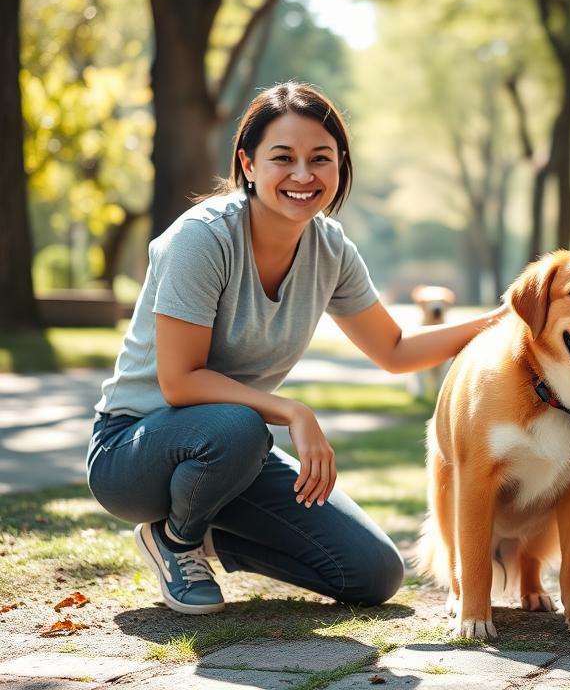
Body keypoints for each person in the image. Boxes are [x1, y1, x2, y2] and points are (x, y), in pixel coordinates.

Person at [86, 82, 508, 615]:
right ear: (248, 164)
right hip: (133, 451)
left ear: (340, 166)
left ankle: (208, 532)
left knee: (373, 572)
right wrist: (293, 412)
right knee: (239, 426)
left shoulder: (331, 249)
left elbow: (395, 349)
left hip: (232, 454)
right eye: (283, 158)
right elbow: (180, 381)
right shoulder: (203, 239)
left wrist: (503, 321)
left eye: (320, 158)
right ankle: (176, 540)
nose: (304, 175)